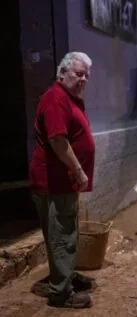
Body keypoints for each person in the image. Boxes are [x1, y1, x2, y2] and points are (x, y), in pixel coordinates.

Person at [29, 52, 96, 308]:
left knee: (67, 231)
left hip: (63, 181)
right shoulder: (56, 99)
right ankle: (60, 293)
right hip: (54, 181)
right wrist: (79, 171)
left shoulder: (70, 99)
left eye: (86, 76)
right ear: (62, 74)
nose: (83, 79)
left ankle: (65, 275)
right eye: (78, 74)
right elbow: (58, 140)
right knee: (61, 235)